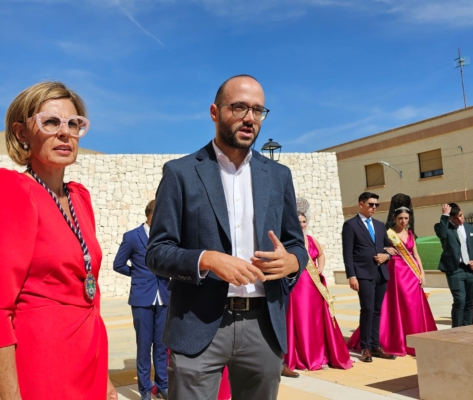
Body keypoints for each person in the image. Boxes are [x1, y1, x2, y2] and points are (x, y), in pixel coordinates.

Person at [146, 74, 308, 400]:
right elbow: (157, 252)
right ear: (214, 112)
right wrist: (206, 259)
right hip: (197, 323)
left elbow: (296, 245)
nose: (250, 118)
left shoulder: (278, 176)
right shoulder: (180, 172)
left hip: (264, 326)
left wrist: (292, 261)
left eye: (258, 110)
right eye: (239, 107)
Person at [0, 82, 117, 399]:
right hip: (43, 364)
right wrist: (9, 393)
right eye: (50, 122)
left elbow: (90, 291)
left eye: (74, 123)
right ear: (22, 133)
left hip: (89, 356)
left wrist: (105, 378)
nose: (65, 133)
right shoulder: (13, 191)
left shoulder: (80, 197)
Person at [348, 204, 437, 356]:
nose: (403, 221)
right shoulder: (387, 233)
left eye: (406, 218)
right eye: (400, 218)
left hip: (412, 272)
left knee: (412, 305)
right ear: (394, 219)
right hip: (396, 272)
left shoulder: (410, 233)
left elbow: (416, 255)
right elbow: (377, 248)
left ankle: (414, 337)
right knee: (395, 305)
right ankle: (391, 340)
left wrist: (422, 273)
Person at [113, 200, 169, 400]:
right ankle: (145, 389)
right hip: (141, 298)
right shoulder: (132, 237)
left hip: (163, 297)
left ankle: (162, 386)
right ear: (151, 215)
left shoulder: (165, 238)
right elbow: (118, 264)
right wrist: (136, 274)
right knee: (144, 346)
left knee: (162, 346)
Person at [285, 211, 352, 370]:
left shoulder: (311, 239)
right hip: (298, 287)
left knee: (317, 321)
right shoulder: (288, 242)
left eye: (304, 221)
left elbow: (321, 255)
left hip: (315, 287)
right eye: (299, 221)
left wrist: (320, 268)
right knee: (302, 320)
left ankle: (320, 354)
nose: (302, 224)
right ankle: (306, 356)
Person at [342, 192, 395, 363]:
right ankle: (365, 347)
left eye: (376, 205)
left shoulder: (380, 226)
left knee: (377, 311)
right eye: (371, 204)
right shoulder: (350, 225)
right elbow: (347, 253)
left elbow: (390, 249)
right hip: (363, 274)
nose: (374, 207)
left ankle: (375, 344)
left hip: (381, 273)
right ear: (361, 204)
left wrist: (386, 257)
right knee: (367, 309)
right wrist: (351, 275)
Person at [435, 203, 473, 327]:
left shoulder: (471, 229)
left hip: (471, 270)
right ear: (450, 218)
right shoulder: (443, 227)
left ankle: (468, 329)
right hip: (455, 270)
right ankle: (456, 330)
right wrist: (444, 215)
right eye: (455, 218)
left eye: (461, 215)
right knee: (459, 301)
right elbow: (441, 234)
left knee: (469, 302)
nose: (460, 220)